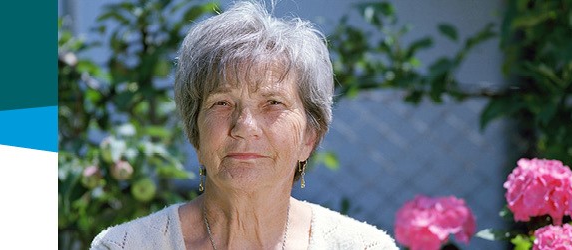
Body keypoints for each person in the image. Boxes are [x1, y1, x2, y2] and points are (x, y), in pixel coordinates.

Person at [90, 1, 397, 249]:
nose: (244, 125)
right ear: (196, 134)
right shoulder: (125, 246)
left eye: (273, 103)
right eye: (222, 102)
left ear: (309, 136)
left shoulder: (364, 246)